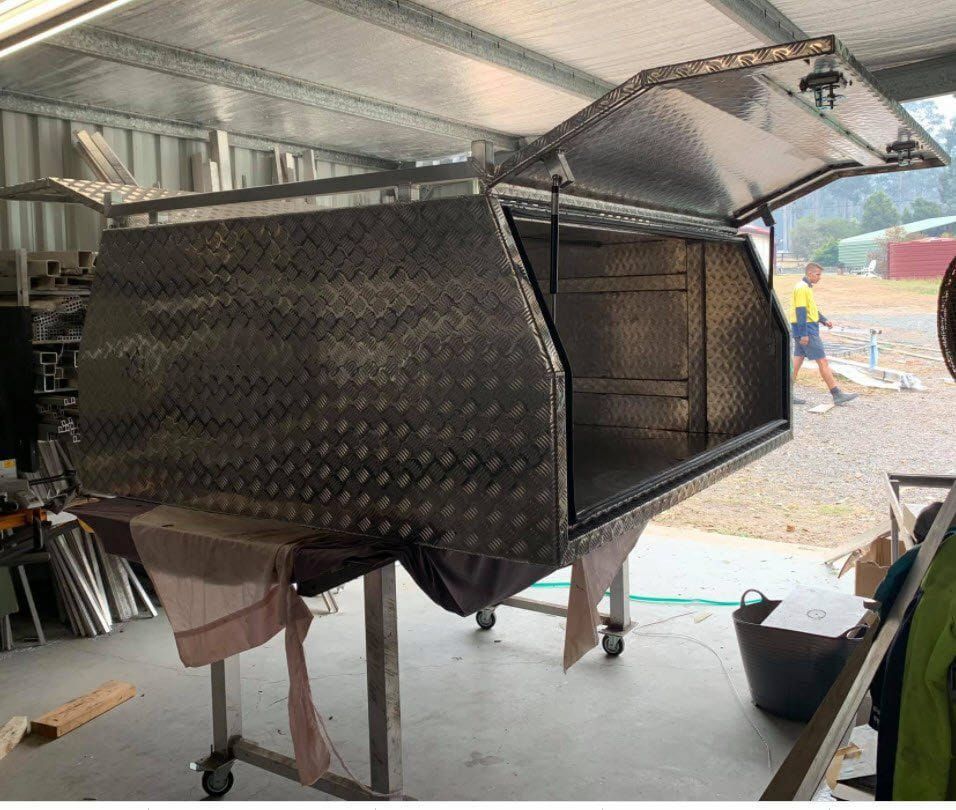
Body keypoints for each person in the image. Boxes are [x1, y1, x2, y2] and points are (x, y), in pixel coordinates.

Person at [789, 262, 858, 406]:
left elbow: (810, 308)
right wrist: (804, 334)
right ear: (810, 273)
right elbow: (800, 311)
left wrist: (823, 320)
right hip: (806, 329)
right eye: (818, 274)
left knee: (797, 362)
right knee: (822, 361)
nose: (820, 277)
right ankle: (837, 394)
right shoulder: (802, 288)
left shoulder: (805, 287)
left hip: (804, 327)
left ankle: (786, 394)